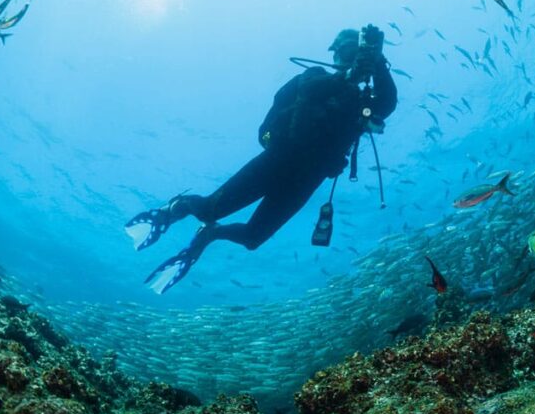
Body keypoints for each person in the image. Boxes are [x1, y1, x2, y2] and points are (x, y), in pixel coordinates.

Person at [126, 25, 397, 294]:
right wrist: (349, 75)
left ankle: (209, 234)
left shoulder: (360, 99)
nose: (350, 59)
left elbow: (386, 104)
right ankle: (170, 209)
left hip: (307, 179)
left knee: (253, 238)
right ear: (336, 54)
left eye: (356, 53)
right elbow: (310, 88)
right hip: (276, 161)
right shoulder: (315, 76)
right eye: (347, 52)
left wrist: (380, 63)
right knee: (209, 210)